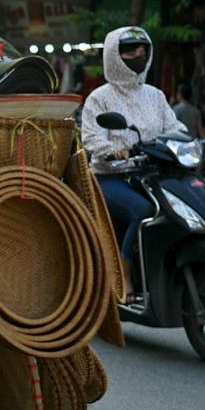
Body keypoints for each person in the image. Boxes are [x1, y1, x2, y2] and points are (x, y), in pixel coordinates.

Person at [80, 26, 188, 295]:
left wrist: (194, 142)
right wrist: (112, 149)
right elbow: (91, 139)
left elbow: (175, 128)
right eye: (130, 49)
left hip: (151, 176)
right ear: (114, 55)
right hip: (110, 177)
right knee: (143, 212)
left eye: (143, 49)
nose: (139, 53)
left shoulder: (156, 95)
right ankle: (123, 273)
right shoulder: (99, 98)